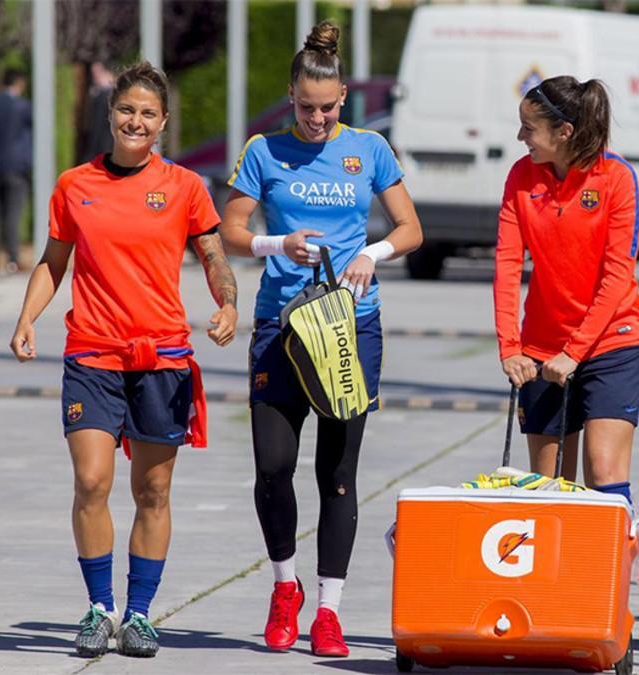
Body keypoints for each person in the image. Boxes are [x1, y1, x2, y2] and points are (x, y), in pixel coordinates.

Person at [8, 61, 237, 658]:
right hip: (93, 353)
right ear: (111, 114)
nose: (136, 121)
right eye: (127, 110)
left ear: (162, 123)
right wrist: (28, 317)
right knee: (91, 482)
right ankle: (98, 609)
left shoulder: (185, 187)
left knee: (153, 491)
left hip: (161, 358)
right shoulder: (74, 185)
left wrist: (228, 305)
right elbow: (53, 262)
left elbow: (213, 257)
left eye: (148, 113)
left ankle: (138, 614)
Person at [220, 21, 423, 658]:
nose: (316, 118)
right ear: (290, 97)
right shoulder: (263, 151)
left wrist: (374, 251)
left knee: (337, 474)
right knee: (273, 467)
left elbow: (411, 227)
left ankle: (329, 610)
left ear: (344, 101)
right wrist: (277, 244)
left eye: (328, 108)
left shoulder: (370, 148)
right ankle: (286, 587)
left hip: (350, 327)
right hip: (283, 324)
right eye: (305, 108)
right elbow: (228, 228)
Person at [494, 75, 639, 506]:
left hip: (612, 344)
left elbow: (617, 275)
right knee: (548, 490)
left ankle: (612, 573)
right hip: (542, 348)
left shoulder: (616, 178)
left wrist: (575, 351)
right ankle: (555, 577)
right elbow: (507, 264)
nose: (520, 136)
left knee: (603, 473)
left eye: (529, 128)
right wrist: (511, 346)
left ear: (564, 132)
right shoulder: (521, 176)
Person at [0, 67, 33, 274]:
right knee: (13, 212)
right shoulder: (24, 107)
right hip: (16, 165)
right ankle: (12, 258)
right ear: (19, 83)